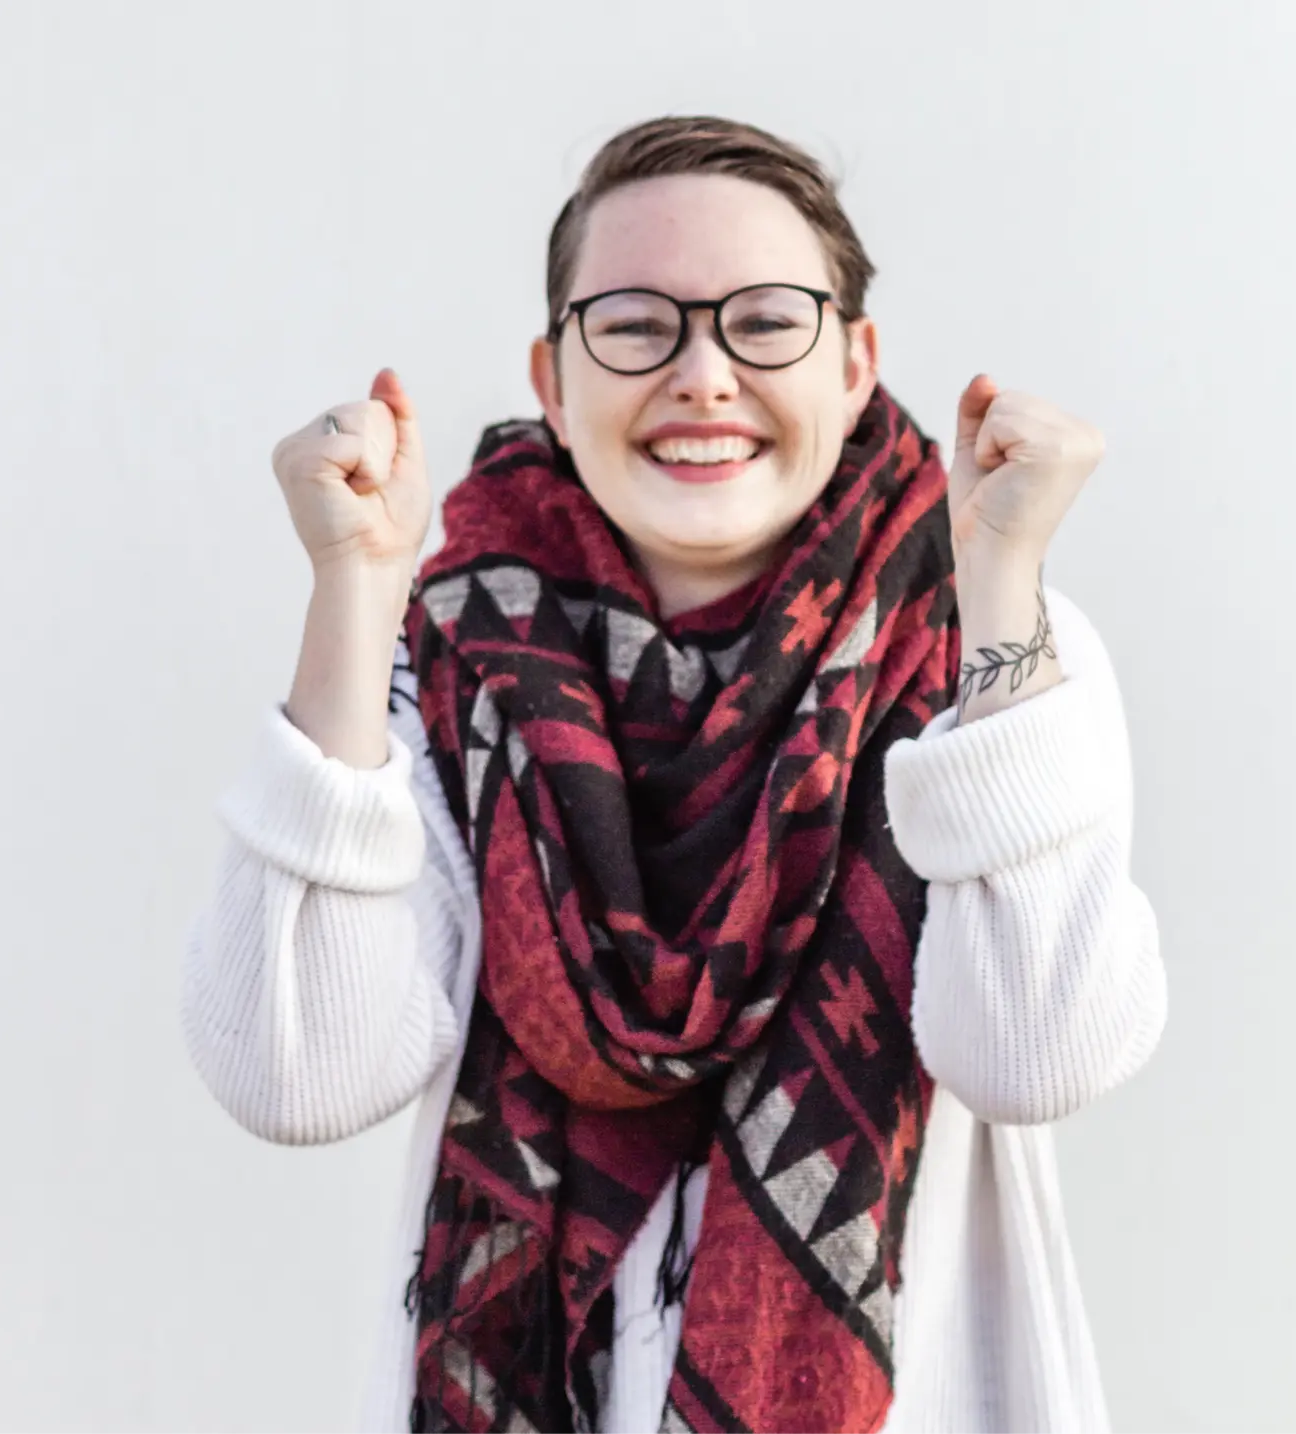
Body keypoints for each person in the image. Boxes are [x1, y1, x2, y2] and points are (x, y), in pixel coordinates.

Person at [183, 115, 1166, 1434]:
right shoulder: (453, 656)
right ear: (553, 375)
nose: (704, 374)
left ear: (857, 361)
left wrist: (993, 575)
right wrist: (359, 591)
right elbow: (295, 1072)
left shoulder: (995, 647)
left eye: (766, 320)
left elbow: (1036, 1050)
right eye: (636, 323)